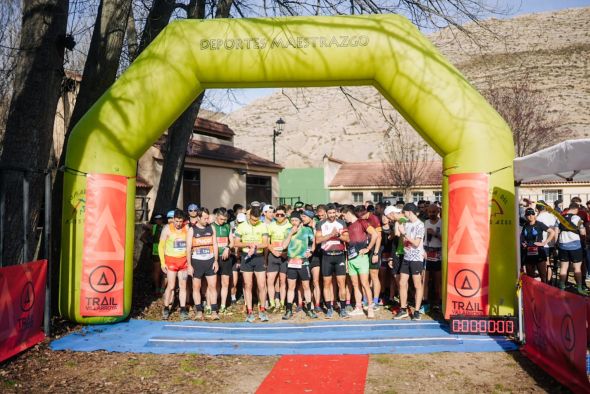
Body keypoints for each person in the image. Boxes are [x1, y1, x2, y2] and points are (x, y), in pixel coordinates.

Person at [234, 205, 270, 322]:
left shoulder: (263, 225)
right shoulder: (241, 226)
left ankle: (263, 309)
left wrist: (255, 246)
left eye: (257, 220)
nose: (255, 222)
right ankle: (249, 311)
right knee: (248, 285)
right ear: (249, 216)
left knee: (261, 285)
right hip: (246, 257)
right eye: (253, 220)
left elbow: (265, 244)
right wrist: (248, 245)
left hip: (258, 257)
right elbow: (236, 243)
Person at [281, 211, 318, 320]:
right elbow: (284, 246)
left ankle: (310, 310)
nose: (294, 222)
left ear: (300, 221)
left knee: (306, 286)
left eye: (296, 220)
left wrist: (310, 252)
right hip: (291, 263)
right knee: (291, 287)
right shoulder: (288, 230)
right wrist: (290, 233)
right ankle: (288, 310)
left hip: (303, 263)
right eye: (292, 220)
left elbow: (312, 243)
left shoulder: (307, 230)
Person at [341, 205, 376, 318]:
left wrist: (368, 248)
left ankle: (370, 307)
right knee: (355, 285)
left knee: (365, 284)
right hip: (351, 258)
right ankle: (358, 307)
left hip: (361, 258)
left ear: (348, 213)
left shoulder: (362, 222)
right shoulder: (347, 226)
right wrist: (347, 261)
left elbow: (375, 234)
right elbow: (347, 244)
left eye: (343, 215)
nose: (343, 218)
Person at [316, 203, 350, 318]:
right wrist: (331, 234)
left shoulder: (341, 223)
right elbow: (318, 240)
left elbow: (347, 238)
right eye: (329, 213)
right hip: (327, 256)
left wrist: (338, 235)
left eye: (333, 213)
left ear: (336, 212)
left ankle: (343, 309)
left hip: (339, 255)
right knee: (327, 283)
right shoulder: (321, 223)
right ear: (326, 213)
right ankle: (329, 308)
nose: (331, 215)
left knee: (341, 283)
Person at [394, 203, 425, 320]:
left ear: (409, 212)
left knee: (417, 284)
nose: (403, 215)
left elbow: (416, 243)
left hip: (416, 258)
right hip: (406, 257)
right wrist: (401, 233)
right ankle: (403, 309)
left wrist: (404, 234)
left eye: (404, 212)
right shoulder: (406, 223)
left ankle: (417, 311)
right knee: (402, 283)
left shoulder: (420, 225)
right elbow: (404, 240)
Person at [158, 209, 189, 320]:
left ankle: (183, 309)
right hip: (171, 261)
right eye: (176, 221)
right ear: (173, 219)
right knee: (171, 286)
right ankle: (166, 308)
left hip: (184, 262)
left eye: (180, 221)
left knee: (183, 286)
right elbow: (161, 246)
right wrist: (162, 263)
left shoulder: (187, 228)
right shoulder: (167, 228)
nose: (178, 224)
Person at [354, 205, 382, 309]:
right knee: (364, 275)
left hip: (374, 248)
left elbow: (379, 237)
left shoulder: (374, 218)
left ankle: (375, 301)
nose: (360, 218)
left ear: (365, 212)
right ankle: (365, 299)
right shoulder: (360, 219)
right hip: (364, 248)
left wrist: (375, 253)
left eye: (361, 216)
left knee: (374, 275)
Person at [557, 202, 587, 294]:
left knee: (563, 267)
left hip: (562, 244)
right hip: (575, 245)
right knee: (577, 268)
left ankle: (562, 287)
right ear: (576, 209)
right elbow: (582, 232)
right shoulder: (577, 218)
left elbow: (556, 231)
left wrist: (556, 245)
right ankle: (579, 288)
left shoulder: (560, 218)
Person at [266, 205, 291, 312]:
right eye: (277, 215)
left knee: (282, 281)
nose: (279, 216)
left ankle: (281, 303)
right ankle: (272, 303)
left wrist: (286, 253)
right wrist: (273, 251)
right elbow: (267, 241)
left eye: (282, 215)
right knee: (270, 280)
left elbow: (293, 243)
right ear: (275, 215)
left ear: (286, 215)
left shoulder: (289, 226)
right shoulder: (271, 225)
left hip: (284, 257)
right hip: (273, 255)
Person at [520, 207, 555, 284]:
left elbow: (552, 232)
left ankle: (545, 291)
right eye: (528, 214)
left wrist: (544, 243)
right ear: (526, 216)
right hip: (528, 252)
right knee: (530, 276)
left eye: (532, 214)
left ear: (534, 215)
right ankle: (532, 293)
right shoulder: (525, 225)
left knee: (543, 275)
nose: (531, 216)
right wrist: (523, 242)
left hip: (539, 251)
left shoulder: (539, 224)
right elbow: (522, 236)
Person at [212, 207, 234, 314]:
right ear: (216, 216)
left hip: (226, 258)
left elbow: (232, 242)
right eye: (221, 219)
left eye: (224, 219)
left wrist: (228, 248)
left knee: (225, 283)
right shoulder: (211, 226)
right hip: (214, 259)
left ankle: (223, 306)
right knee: (214, 283)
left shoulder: (227, 226)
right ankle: (213, 305)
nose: (223, 221)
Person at [301, 209, 322, 313]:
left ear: (310, 218)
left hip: (315, 256)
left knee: (315, 281)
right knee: (303, 283)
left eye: (304, 217)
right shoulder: (302, 227)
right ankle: (302, 304)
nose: (302, 219)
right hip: (303, 257)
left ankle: (317, 304)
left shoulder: (317, 226)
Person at [140, 214, 165, 296]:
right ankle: (159, 288)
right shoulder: (160, 227)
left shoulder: (162, 227)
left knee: (161, 271)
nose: (159, 220)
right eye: (157, 219)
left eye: (160, 219)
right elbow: (142, 237)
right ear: (155, 220)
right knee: (158, 271)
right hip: (158, 252)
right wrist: (149, 244)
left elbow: (142, 237)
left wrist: (149, 244)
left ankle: (160, 288)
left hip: (161, 251)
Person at [424, 204, 442, 310]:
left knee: (437, 280)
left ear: (438, 211)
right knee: (425, 279)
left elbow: (446, 240)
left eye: (433, 212)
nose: (431, 214)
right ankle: (425, 301)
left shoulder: (442, 222)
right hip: (427, 251)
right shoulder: (426, 222)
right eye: (429, 212)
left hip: (438, 253)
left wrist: (435, 234)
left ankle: (438, 302)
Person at [535, 201, 559, 282]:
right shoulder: (552, 216)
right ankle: (549, 281)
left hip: (544, 243)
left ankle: (547, 282)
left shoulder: (538, 218)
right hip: (552, 243)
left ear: (537, 208)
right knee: (548, 264)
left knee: (545, 264)